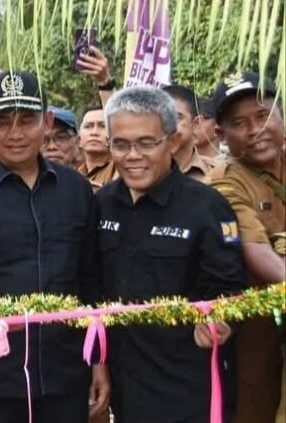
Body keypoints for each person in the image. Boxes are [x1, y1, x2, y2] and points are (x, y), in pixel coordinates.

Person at [0, 71, 108, 423]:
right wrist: (1, 313)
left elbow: (90, 277)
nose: (15, 133)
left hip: (65, 371)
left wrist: (99, 358)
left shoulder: (76, 189)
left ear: (47, 121)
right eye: (2, 121)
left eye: (27, 120)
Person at [97, 86, 246, 422]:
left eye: (146, 143)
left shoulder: (207, 207)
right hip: (123, 385)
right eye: (121, 144)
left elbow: (229, 286)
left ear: (173, 140)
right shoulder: (101, 204)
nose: (133, 155)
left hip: (187, 387)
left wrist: (220, 321)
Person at [207, 72, 286, 423]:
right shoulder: (225, 181)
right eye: (239, 123)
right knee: (255, 404)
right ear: (221, 135)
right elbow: (256, 253)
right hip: (258, 326)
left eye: (263, 115)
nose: (256, 130)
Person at [161, 84, 214, 181]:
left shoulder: (217, 174)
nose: (166, 124)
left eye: (176, 117)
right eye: (160, 117)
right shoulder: (138, 173)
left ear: (196, 124)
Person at [77, 105, 118, 189]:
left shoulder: (120, 169)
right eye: (88, 126)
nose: (94, 132)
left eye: (103, 126)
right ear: (79, 139)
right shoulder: (74, 175)